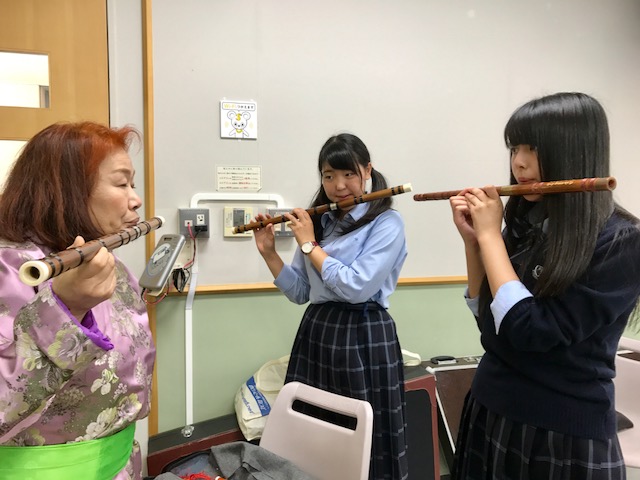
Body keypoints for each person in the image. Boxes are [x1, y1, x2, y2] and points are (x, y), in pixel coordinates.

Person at [448, 92, 640, 479]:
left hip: (562, 430)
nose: (519, 162)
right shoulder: (526, 222)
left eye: (532, 148)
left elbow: (531, 330)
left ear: (574, 150)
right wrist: (474, 244)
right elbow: (490, 323)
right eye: (514, 148)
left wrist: (490, 238)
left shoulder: (622, 242)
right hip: (491, 405)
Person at [0, 121, 155, 479]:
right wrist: (64, 309)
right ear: (67, 190)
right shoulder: (10, 268)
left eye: (133, 185)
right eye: (122, 183)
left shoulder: (108, 265)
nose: (136, 199)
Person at [253, 133, 409, 480]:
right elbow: (300, 292)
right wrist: (269, 254)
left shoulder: (387, 223)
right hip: (318, 331)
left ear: (367, 171)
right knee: (311, 429)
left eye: (348, 174)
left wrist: (310, 245)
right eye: (328, 176)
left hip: (364, 333)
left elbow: (356, 287)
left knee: (362, 436)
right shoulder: (320, 223)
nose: (338, 185)